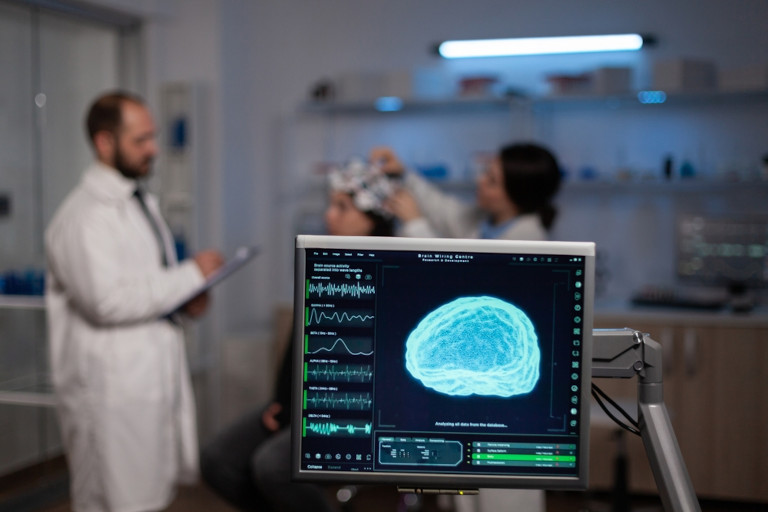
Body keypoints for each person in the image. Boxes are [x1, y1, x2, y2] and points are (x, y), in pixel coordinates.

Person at [45, 91, 224, 512]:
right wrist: (190, 275)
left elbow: (146, 282)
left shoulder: (138, 202)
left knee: (147, 496)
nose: (154, 149)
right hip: (109, 394)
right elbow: (106, 302)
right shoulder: (83, 217)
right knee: (113, 500)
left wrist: (186, 300)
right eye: (141, 140)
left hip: (145, 381)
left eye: (153, 138)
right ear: (105, 143)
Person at [200, 160, 395, 512]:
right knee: (217, 459)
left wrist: (301, 411)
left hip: (351, 412)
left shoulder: (392, 275)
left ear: (373, 219)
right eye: (330, 205)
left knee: (271, 465)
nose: (329, 216)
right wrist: (285, 402)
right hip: (301, 403)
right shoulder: (324, 262)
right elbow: (301, 344)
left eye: (342, 207)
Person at [370, 143, 562, 241]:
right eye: (486, 172)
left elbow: (460, 279)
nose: (480, 180)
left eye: (492, 181)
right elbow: (441, 208)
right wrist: (403, 173)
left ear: (518, 195)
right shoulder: (486, 221)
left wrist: (415, 224)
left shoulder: (527, 240)